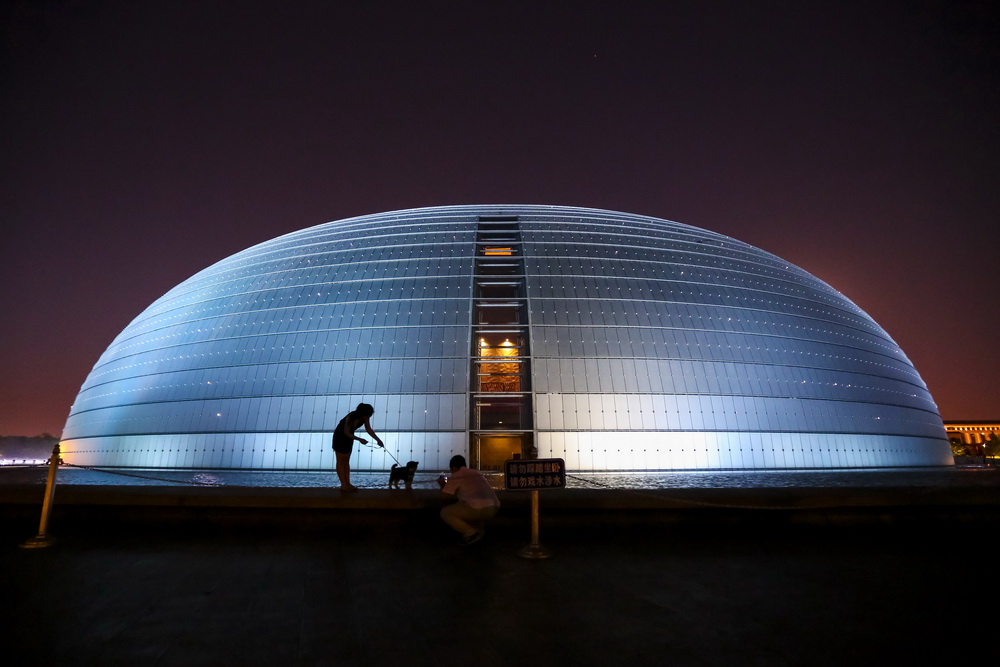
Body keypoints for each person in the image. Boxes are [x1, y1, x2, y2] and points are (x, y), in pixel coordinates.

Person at [437, 455, 500, 544]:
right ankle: (479, 534)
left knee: (445, 512)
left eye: (451, 470)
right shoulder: (476, 473)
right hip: (493, 507)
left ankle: (470, 533)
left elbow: (443, 497)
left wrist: (442, 485)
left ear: (454, 468)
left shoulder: (457, 475)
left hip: (478, 509)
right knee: (471, 510)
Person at [332, 403, 383, 492]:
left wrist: (378, 440)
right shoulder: (351, 416)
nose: (368, 417)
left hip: (349, 437)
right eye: (368, 415)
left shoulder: (365, 418)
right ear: (362, 413)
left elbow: (368, 429)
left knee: (346, 461)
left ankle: (348, 483)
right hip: (340, 436)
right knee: (341, 461)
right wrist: (359, 439)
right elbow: (346, 432)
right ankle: (343, 485)